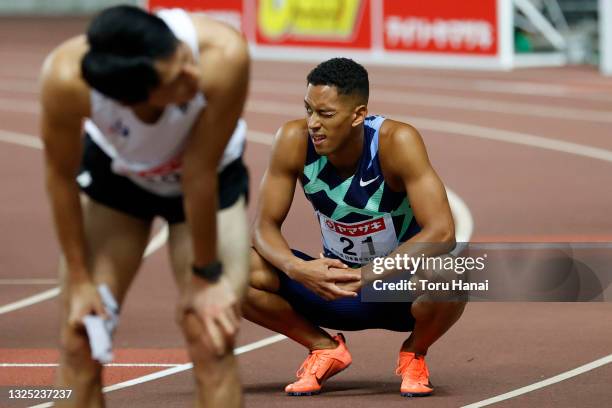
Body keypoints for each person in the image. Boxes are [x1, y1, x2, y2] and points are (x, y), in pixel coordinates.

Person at [40, 5, 249, 407]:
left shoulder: (223, 54)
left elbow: (198, 173)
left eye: (186, 60)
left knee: (209, 334)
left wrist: (206, 276)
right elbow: (59, 178)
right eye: (177, 80)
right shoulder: (66, 80)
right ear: (131, 100)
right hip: (119, 180)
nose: (195, 76)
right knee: (82, 337)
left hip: (208, 180)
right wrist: (81, 281)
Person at [243, 58, 466, 397]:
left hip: (395, 290)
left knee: (451, 273)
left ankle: (414, 353)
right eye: (308, 111)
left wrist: (366, 275)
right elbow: (263, 227)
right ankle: (323, 348)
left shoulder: (396, 142)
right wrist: (299, 268)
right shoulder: (292, 140)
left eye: (326, 114)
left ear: (358, 115)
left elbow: (441, 232)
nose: (314, 124)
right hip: (329, 287)